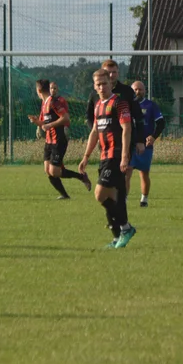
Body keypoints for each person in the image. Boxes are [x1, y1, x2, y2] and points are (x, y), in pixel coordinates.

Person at [79, 70, 137, 248]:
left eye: (104, 83)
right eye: (98, 84)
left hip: (116, 154)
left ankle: (126, 228)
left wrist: (125, 156)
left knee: (100, 194)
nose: (101, 87)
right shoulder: (97, 105)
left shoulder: (119, 103)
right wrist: (86, 156)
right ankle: (117, 236)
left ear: (111, 84)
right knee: (112, 198)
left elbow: (127, 128)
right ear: (94, 86)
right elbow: (95, 131)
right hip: (104, 156)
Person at [27, 79, 91, 199]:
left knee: (55, 171)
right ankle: (65, 195)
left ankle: (82, 177)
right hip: (49, 141)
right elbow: (45, 123)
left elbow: (66, 118)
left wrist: (50, 125)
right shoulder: (44, 103)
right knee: (48, 170)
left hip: (59, 140)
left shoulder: (53, 102)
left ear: (39, 90)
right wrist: (37, 122)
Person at [127, 80, 166, 207]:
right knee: (127, 172)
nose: (138, 92)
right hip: (129, 144)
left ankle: (144, 199)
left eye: (140, 89)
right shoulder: (126, 105)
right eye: (135, 89)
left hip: (145, 145)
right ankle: (124, 200)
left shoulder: (150, 105)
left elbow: (161, 123)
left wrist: (154, 136)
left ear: (145, 91)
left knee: (144, 174)